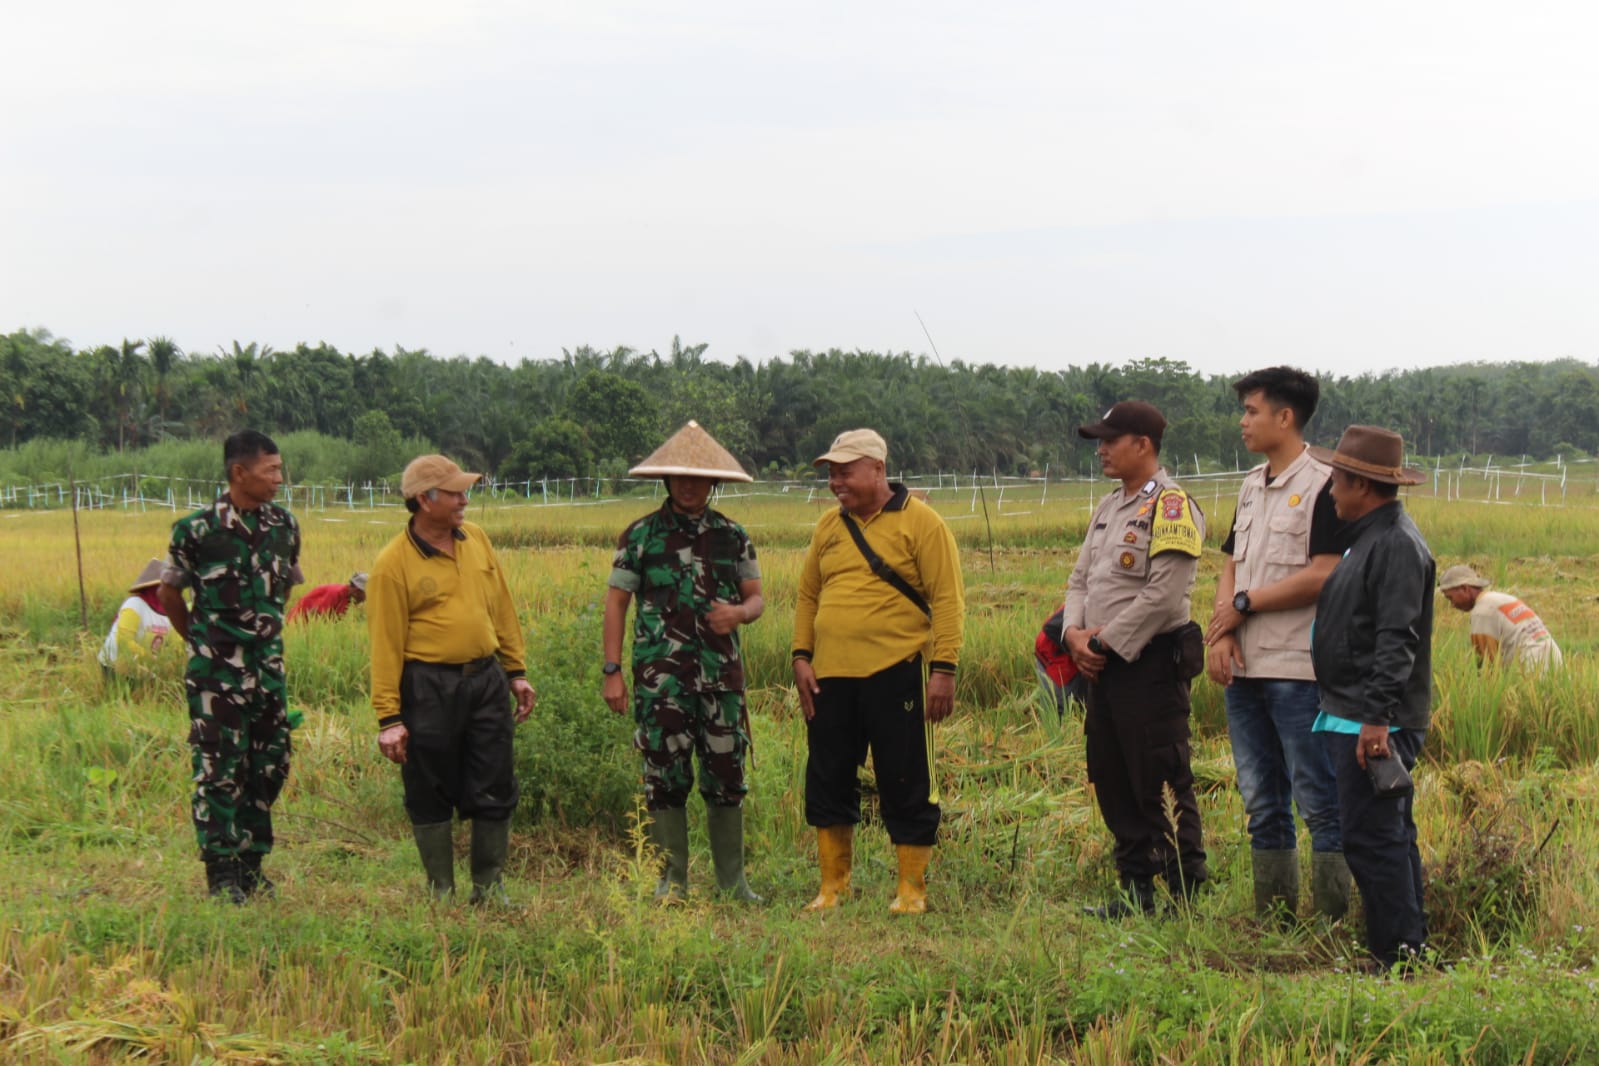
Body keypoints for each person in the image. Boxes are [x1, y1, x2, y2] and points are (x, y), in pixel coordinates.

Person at [793, 428, 965, 915]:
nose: (835, 482)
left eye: (845, 472)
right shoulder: (829, 526)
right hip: (829, 676)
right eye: (831, 474)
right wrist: (801, 656)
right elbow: (808, 595)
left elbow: (949, 600)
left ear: (877, 469)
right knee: (827, 776)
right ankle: (833, 886)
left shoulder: (922, 523)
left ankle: (911, 889)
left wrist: (944, 667)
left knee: (905, 778)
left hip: (898, 671)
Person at [1204, 367, 1351, 924]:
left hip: (1298, 668)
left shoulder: (1325, 484)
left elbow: (1323, 575)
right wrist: (1222, 630)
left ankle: (1333, 922)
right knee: (1261, 801)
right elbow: (1231, 565)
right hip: (1245, 668)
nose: (1243, 422)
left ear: (1285, 417)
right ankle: (1274, 922)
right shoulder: (1249, 485)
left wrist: (1245, 606)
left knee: (1318, 800)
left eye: (1252, 411)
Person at [602, 421, 764, 903]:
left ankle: (733, 884)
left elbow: (756, 599)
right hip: (661, 684)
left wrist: (736, 613)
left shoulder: (733, 537)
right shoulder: (640, 536)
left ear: (714, 483)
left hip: (720, 684)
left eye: (698, 478)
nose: (689, 486)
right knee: (664, 780)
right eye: (679, 478)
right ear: (667, 481)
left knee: (727, 778)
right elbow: (616, 604)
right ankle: (671, 883)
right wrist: (612, 672)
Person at [368, 454, 536, 903]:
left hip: (485, 680)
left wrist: (515, 671)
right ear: (425, 500)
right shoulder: (393, 564)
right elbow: (384, 646)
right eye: (456, 492)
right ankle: (441, 890)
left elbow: (500, 606)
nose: (465, 499)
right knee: (429, 785)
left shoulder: (476, 539)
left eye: (466, 490)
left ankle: (488, 886)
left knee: (495, 780)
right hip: (428, 687)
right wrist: (389, 717)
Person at [1063, 402, 1208, 918]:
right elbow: (1080, 580)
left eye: (1110, 439)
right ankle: (1136, 887)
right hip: (1101, 666)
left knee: (1160, 774)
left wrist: (1102, 644)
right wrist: (1074, 634)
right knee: (1112, 773)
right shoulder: (1108, 508)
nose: (1100, 448)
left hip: (1148, 663)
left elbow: (1164, 594)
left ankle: (1181, 889)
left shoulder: (1171, 506)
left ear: (1142, 444)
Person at [1308, 425, 1434, 972]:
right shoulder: (1370, 536)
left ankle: (1397, 956)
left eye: (1336, 479)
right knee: (1385, 836)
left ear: (1361, 483)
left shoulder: (1397, 544)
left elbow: (1396, 636)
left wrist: (1377, 720)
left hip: (1374, 721)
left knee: (1374, 840)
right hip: (1355, 714)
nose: (1330, 490)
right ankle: (1404, 947)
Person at [158, 430, 303, 902]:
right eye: (271, 470)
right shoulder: (196, 531)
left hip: (268, 671)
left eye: (280, 469)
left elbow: (285, 591)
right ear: (239, 473)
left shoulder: (285, 526)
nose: (280, 478)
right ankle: (222, 872)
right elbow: (168, 596)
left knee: (270, 764)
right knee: (219, 769)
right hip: (215, 676)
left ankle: (250, 862)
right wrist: (203, 644)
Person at [1437, 565, 1563, 673]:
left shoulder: (1482, 612)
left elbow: (1487, 665)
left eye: (1450, 598)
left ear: (1465, 588)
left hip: (1532, 668)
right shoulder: (1501, 599)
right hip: (1554, 661)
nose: (1452, 605)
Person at [99, 558, 172, 677]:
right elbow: (123, 641)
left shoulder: (170, 610)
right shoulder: (134, 605)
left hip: (145, 666)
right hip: (115, 665)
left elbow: (176, 643)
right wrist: (148, 657)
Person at [1034, 606, 1087, 716]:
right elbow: (1050, 627)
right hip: (1052, 654)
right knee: (1063, 710)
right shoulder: (1088, 605)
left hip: (1067, 652)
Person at [287, 572, 368, 622]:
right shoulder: (335, 593)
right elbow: (315, 615)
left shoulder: (348, 599)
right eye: (366, 594)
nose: (365, 599)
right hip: (297, 625)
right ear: (357, 591)